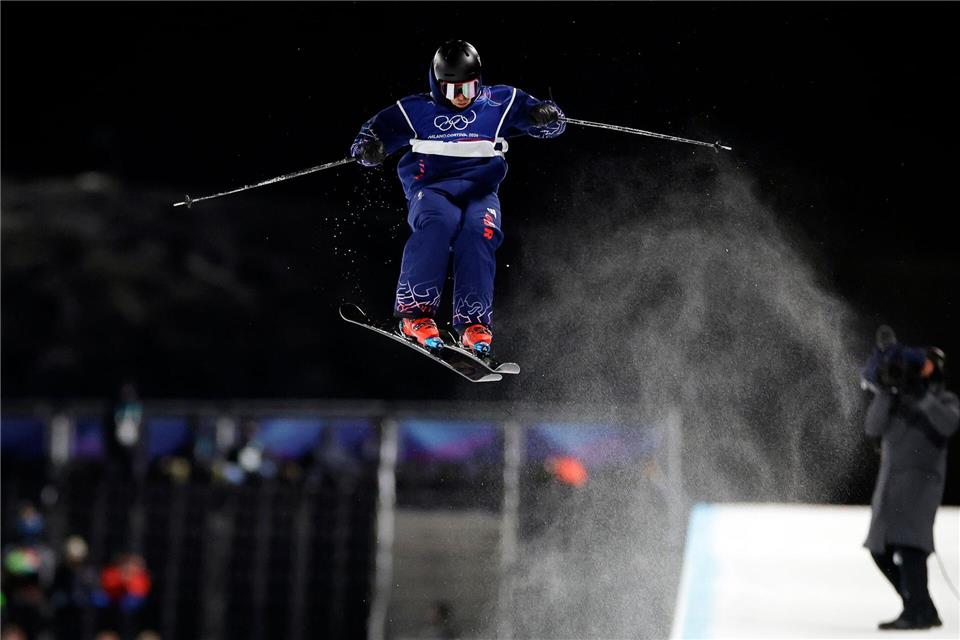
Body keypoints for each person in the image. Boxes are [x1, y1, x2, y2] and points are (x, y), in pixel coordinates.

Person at [350, 40, 565, 355]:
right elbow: (371, 135)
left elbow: (546, 124)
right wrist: (368, 150)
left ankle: (473, 323)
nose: (462, 97)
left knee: (479, 233)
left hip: (480, 191)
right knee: (439, 225)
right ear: (437, 86)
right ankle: (415, 314)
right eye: (452, 91)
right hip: (432, 188)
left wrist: (547, 117)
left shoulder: (500, 101)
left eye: (469, 88)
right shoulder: (415, 111)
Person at [860, 325, 959, 630]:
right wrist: (888, 392)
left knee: (911, 548)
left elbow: (948, 424)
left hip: (920, 488)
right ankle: (920, 606)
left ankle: (916, 611)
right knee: (879, 549)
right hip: (889, 487)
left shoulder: (946, 400)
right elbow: (873, 428)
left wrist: (923, 397)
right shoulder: (896, 400)